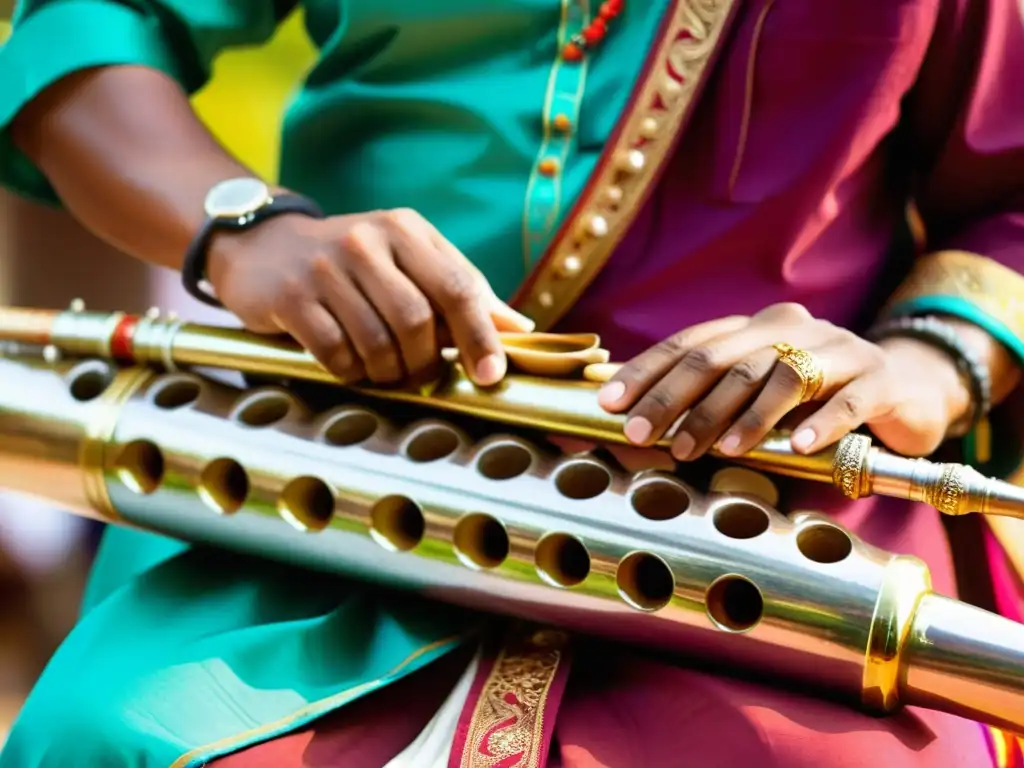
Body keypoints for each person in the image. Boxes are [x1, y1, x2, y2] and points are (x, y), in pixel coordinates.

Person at [1, 0, 1023, 765]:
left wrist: (921, 368)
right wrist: (243, 229)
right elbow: (88, 22)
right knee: (109, 735)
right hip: (329, 468)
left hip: (783, 520)